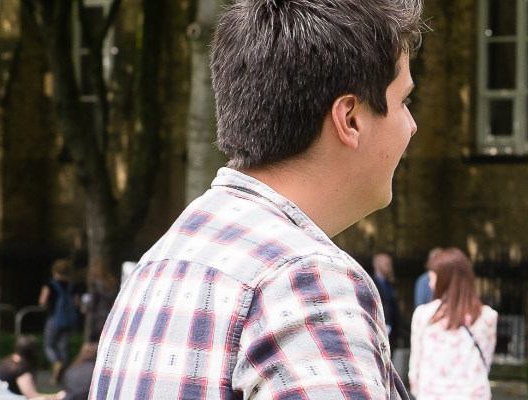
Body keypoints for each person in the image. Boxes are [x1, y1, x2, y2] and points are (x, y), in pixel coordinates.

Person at [90, 0, 424, 397]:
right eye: (404, 101)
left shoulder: (159, 265)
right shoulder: (304, 280)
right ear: (349, 119)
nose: (413, 125)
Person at [408, 248, 497, 399]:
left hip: (433, 394)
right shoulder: (487, 317)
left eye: (432, 278)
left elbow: (415, 368)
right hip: (473, 393)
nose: (430, 283)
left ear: (443, 279)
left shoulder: (424, 315)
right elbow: (485, 362)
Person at [39, 259, 79, 382]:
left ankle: (56, 363)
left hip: (54, 318)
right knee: (63, 346)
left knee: (48, 344)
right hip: (68, 320)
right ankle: (61, 374)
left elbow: (42, 301)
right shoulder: (72, 286)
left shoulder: (50, 284)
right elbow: (76, 303)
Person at [83, 257, 118, 342]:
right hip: (109, 313)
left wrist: (85, 306)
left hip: (97, 315)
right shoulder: (112, 281)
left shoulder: (95, 283)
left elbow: (93, 300)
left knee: (94, 342)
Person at [373, 254, 401, 341]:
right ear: (378, 265)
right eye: (387, 264)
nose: (390, 267)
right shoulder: (371, 283)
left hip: (391, 331)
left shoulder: (390, 284)